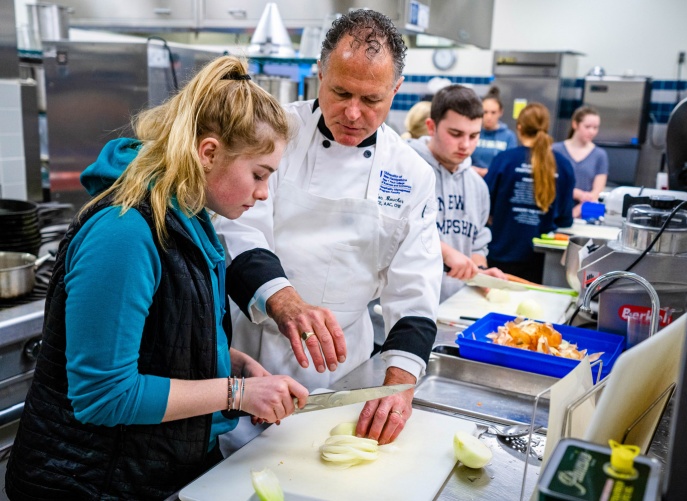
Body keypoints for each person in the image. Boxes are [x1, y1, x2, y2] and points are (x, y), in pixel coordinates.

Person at [4, 56, 309, 501]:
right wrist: (236, 392)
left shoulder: (187, 217)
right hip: (89, 483)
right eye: (259, 174)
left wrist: (228, 360)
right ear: (208, 153)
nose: (263, 193)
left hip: (152, 473)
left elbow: (162, 335)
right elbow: (104, 395)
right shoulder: (124, 232)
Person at [214, 9, 442, 449]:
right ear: (319, 73)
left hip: (339, 374)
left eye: (372, 100)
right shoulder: (274, 131)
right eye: (340, 92)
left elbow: (415, 290)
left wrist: (399, 383)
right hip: (246, 359)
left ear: (396, 91)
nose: (353, 113)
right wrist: (285, 302)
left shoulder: (411, 173)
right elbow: (238, 230)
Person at [406, 84, 505, 302]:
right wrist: (447, 253)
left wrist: (479, 272)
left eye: (474, 135)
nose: (466, 145)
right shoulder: (405, 168)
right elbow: (395, 228)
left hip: (454, 306)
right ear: (431, 127)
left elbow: (478, 241)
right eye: (456, 134)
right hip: (402, 309)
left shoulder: (477, 186)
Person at [485, 102, 575, 284]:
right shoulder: (563, 166)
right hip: (542, 262)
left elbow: (484, 207)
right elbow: (565, 219)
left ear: (519, 128)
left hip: (502, 255)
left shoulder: (504, 160)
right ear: (546, 128)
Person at [552, 106, 609, 218]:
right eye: (587, 127)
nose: (592, 131)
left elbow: (597, 190)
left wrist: (579, 209)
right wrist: (577, 194)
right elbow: (550, 182)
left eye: (595, 127)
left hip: (584, 215)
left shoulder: (600, 155)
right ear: (575, 124)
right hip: (556, 211)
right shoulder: (555, 150)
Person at [471, 86, 518, 177]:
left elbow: (510, 165)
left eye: (493, 112)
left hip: (497, 183)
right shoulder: (472, 132)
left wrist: (489, 173)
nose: (489, 117)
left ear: (500, 112)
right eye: (485, 112)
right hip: (472, 180)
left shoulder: (509, 136)